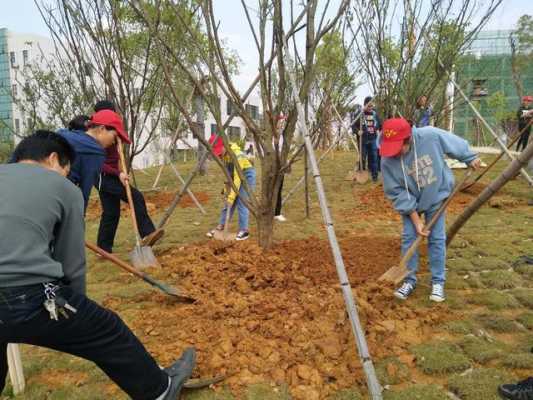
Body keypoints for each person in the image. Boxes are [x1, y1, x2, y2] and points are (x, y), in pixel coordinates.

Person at [0, 131, 196, 400]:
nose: (66, 178)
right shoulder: (64, 189)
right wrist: (80, 309)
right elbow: (71, 262)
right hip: (27, 298)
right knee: (107, 329)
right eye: (66, 172)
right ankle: (160, 390)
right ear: (53, 159)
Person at [380, 118, 481, 302]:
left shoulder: (430, 136)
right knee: (410, 238)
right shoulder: (387, 160)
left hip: (436, 195)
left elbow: (454, 144)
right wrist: (416, 220)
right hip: (411, 202)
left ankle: (437, 281)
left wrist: (470, 157)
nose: (394, 154)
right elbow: (396, 191)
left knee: (437, 238)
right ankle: (409, 280)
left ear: (408, 139)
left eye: (397, 148)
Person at [92, 101, 164, 253]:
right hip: (102, 176)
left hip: (111, 174)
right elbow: (98, 163)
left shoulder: (112, 132)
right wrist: (118, 173)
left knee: (111, 213)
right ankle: (147, 233)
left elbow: (115, 157)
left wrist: (120, 170)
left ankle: (103, 248)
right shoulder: (96, 136)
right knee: (136, 197)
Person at [206, 134, 256, 241]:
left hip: (247, 176)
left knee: (241, 202)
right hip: (235, 177)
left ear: (225, 145)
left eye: (219, 150)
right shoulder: (224, 156)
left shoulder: (236, 155)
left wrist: (231, 198)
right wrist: (226, 190)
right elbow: (228, 175)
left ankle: (244, 230)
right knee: (227, 204)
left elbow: (237, 180)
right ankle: (221, 226)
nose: (218, 154)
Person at [362, 96, 381, 182]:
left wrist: (376, 128)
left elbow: (380, 124)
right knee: (363, 156)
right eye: (368, 106)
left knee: (374, 157)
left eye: (371, 106)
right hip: (364, 139)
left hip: (373, 138)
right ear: (365, 105)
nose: (370, 107)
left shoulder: (374, 114)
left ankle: (375, 176)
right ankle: (362, 171)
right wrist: (358, 131)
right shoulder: (361, 114)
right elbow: (354, 125)